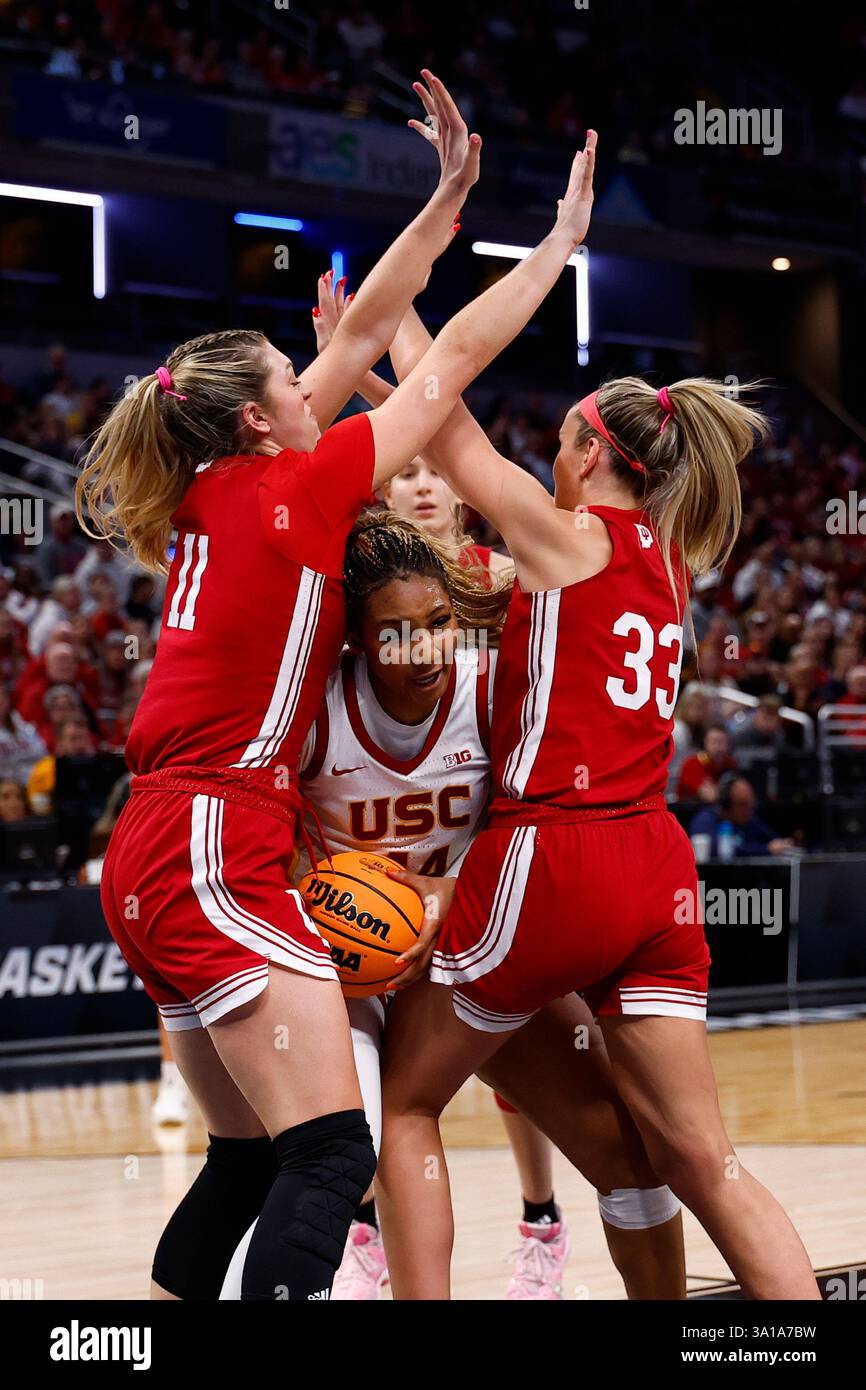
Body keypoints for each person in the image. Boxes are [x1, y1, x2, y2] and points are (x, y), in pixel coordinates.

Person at [75, 72, 599, 1302]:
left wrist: (447, 197)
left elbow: (364, 328)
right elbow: (451, 348)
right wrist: (557, 243)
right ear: (269, 421)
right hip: (214, 834)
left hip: (152, 850)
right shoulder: (300, 488)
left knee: (249, 1165)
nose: (319, 370)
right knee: (328, 1158)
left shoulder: (223, 481)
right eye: (292, 372)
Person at [372, 293, 819, 1298]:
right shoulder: (669, 560)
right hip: (653, 866)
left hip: (552, 854)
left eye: (560, 439)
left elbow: (445, 418)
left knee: (401, 1103)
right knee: (703, 1156)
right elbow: (443, 436)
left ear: (584, 451)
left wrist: (391, 312)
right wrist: (382, 381)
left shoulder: (563, 535)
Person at [220, 511, 685, 1302]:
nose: (427, 648)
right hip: (345, 976)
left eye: (440, 623)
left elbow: (535, 828)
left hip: (470, 952)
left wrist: (452, 895)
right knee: (337, 1154)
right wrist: (319, 899)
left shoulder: (489, 687)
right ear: (357, 641)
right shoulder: (314, 706)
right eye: (399, 632)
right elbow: (266, 855)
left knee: (627, 1148)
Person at [689, 775, 795, 858]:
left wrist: (784, 845)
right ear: (726, 804)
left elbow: (774, 841)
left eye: (751, 804)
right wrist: (765, 850)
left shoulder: (749, 820)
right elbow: (719, 849)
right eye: (743, 804)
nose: (749, 810)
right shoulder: (705, 820)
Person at [676, 724, 737, 801]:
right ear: (705, 742)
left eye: (722, 742)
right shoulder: (693, 764)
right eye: (714, 742)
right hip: (691, 810)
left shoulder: (731, 764)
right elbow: (710, 797)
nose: (718, 747)